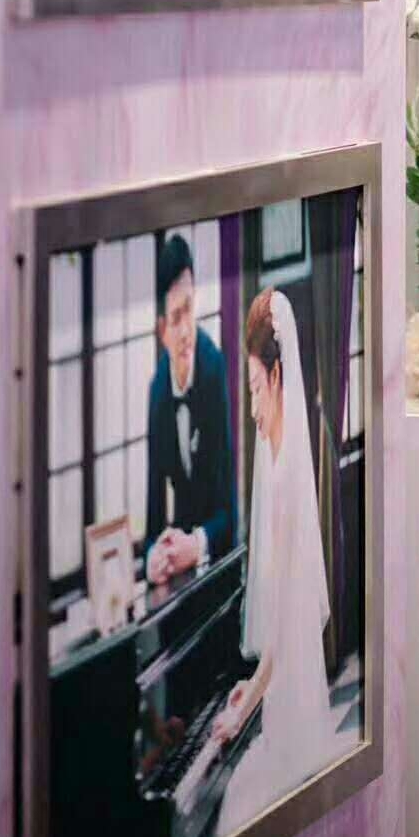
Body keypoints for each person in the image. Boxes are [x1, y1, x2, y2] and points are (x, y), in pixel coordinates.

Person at [212, 289, 338, 837]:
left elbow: (283, 637)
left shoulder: (286, 487)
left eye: (256, 389)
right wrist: (253, 691)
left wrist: (239, 711)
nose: (253, 410)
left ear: (278, 376)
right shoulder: (286, 465)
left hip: (288, 717)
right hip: (289, 702)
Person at [145, 234, 236, 585]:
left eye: (190, 309)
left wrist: (196, 545)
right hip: (179, 562)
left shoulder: (214, 369)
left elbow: (229, 513)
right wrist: (153, 557)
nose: (186, 331)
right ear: (161, 330)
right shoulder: (157, 392)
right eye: (176, 317)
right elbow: (154, 514)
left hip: (218, 557)